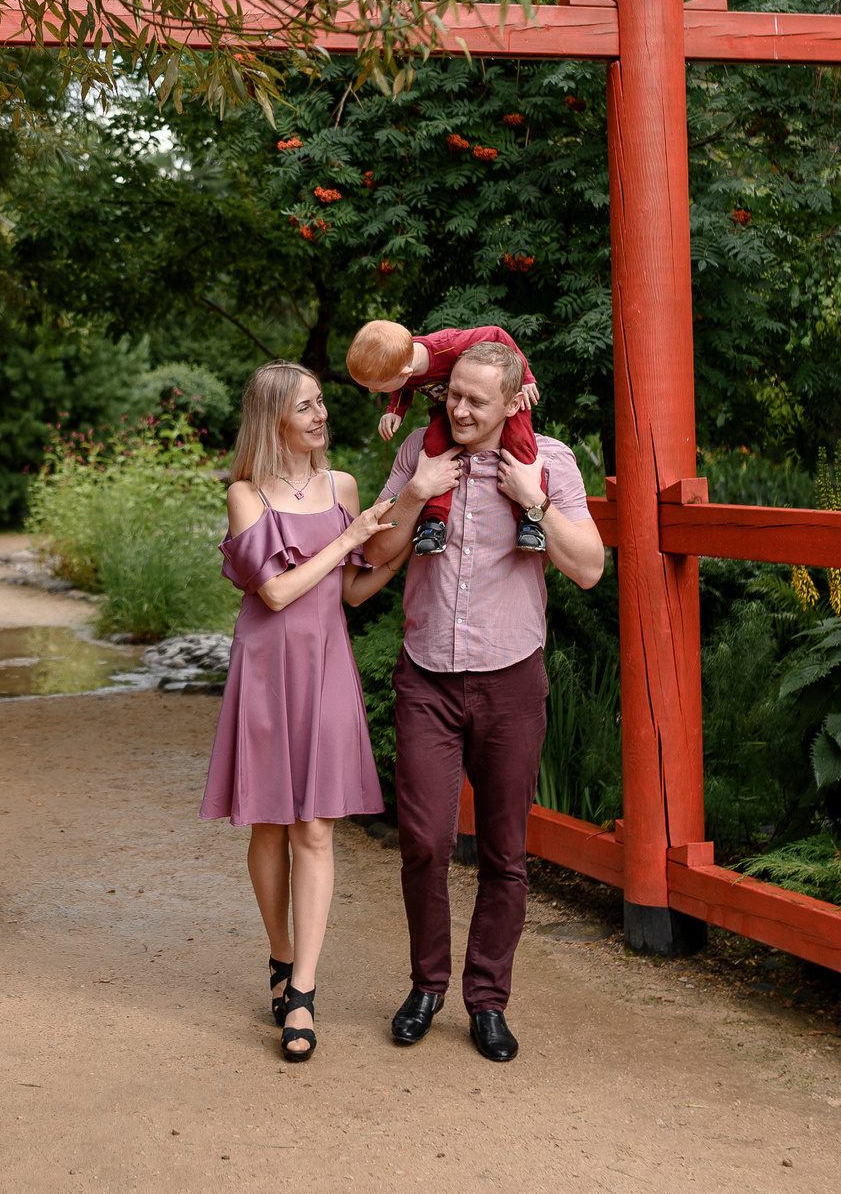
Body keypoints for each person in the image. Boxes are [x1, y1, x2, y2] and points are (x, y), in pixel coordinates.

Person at [360, 340, 604, 1063]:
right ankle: (427, 985)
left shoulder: (548, 460)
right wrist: (412, 490)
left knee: (504, 852)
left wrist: (533, 500)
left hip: (510, 677)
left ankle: (488, 1000)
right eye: (453, 395)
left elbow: (589, 568)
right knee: (425, 841)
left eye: (475, 401)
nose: (459, 409)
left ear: (511, 405)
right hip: (427, 673)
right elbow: (373, 557)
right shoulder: (420, 451)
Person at [202, 361, 400, 1063]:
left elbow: (349, 594)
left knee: (315, 827)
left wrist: (403, 533)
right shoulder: (246, 495)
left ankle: (304, 995)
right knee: (271, 822)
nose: (322, 415)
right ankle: (281, 957)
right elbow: (277, 594)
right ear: (274, 419)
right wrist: (349, 540)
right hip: (267, 667)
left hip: (325, 665)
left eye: (322, 403)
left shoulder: (341, 486)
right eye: (307, 407)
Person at [344, 319, 548, 555]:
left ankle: (530, 520)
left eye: (378, 387)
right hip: (449, 408)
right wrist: (395, 410)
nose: (372, 391)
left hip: (502, 397)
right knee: (433, 448)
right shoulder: (400, 362)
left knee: (521, 446)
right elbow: (403, 386)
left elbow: (497, 333)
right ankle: (433, 521)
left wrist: (526, 377)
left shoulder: (446, 346)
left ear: (406, 372)